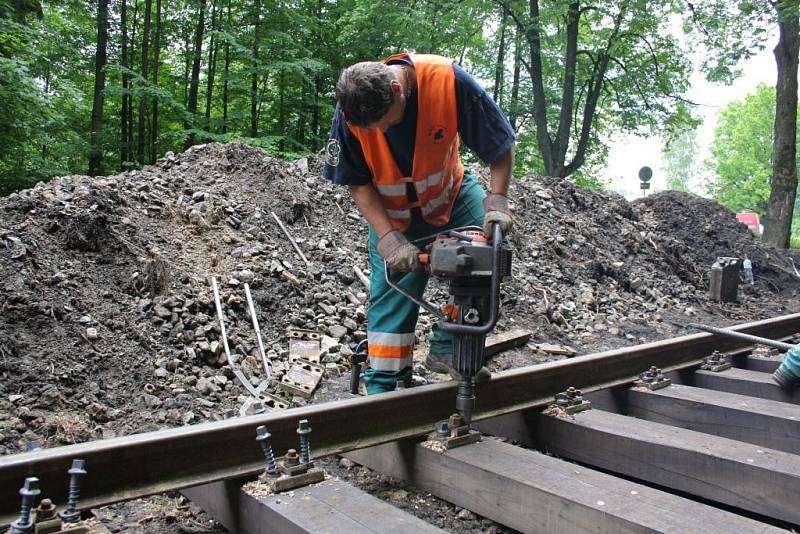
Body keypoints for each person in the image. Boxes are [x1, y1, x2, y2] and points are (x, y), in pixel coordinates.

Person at [322, 53, 516, 394]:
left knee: (486, 258)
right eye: (371, 128)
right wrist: (389, 238)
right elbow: (356, 180)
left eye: (383, 122)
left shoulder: (448, 82)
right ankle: (382, 390)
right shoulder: (351, 109)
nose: (379, 132)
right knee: (392, 302)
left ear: (398, 89)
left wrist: (497, 201)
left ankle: (450, 350)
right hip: (393, 212)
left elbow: (499, 143)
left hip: (450, 195)